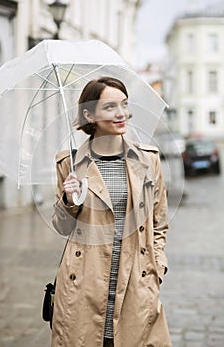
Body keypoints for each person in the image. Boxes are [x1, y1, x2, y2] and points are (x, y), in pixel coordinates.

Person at [51, 77, 171, 347]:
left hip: (135, 280)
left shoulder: (149, 160)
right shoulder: (68, 163)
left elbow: (159, 222)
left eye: (124, 105)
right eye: (110, 107)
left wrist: (156, 266)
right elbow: (61, 227)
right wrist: (70, 199)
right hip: (84, 281)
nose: (121, 114)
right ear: (89, 114)